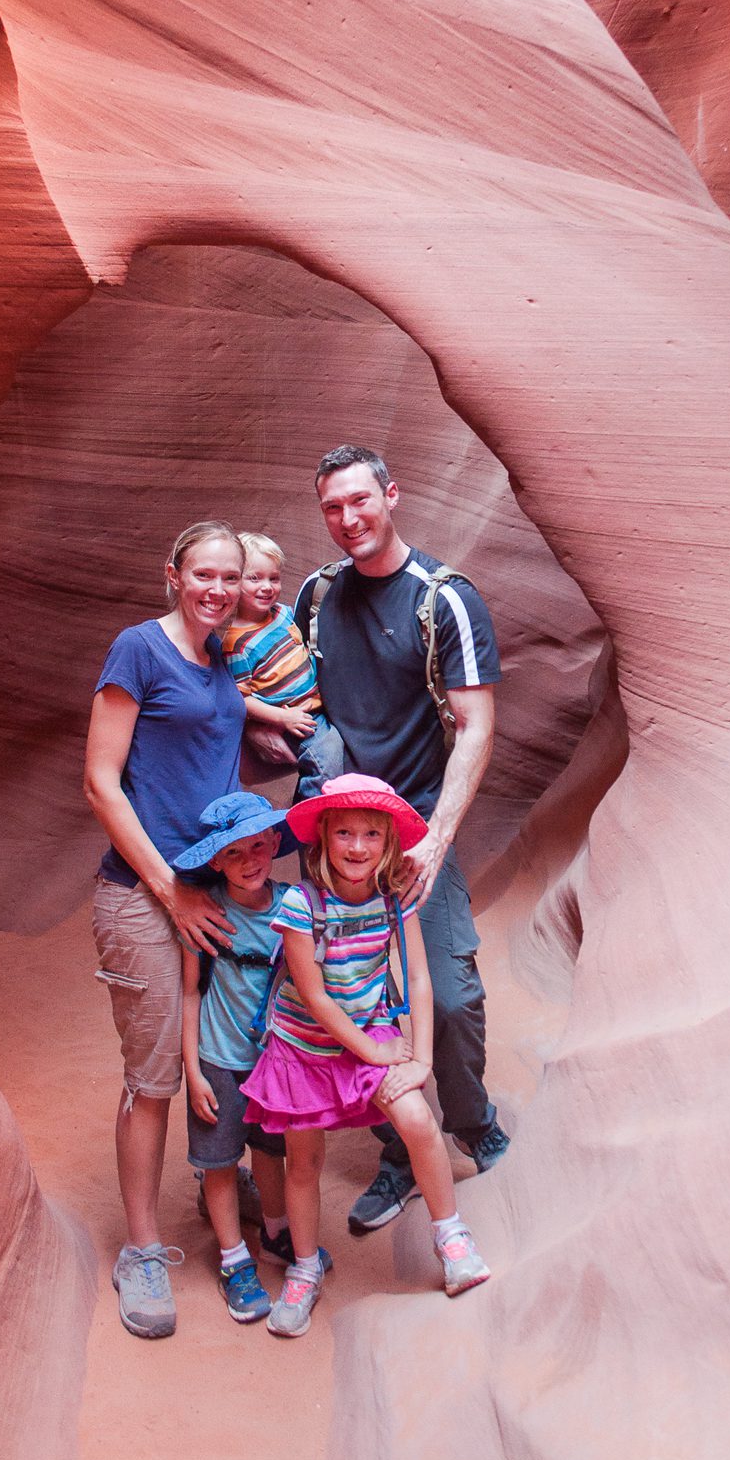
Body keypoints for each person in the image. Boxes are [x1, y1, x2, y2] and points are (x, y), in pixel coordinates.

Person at [291, 445, 509, 1235]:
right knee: (356, 997)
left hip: (415, 825)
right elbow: (285, 692)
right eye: (332, 507)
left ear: (392, 494)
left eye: (360, 500)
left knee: (447, 995)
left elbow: (477, 723)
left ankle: (472, 1118)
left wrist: (436, 839)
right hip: (336, 831)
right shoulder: (316, 596)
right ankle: (399, 1151)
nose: (348, 520)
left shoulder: (443, 599)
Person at [241, 775, 491, 1337]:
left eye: (372, 835)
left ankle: (450, 1236)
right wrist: (376, 1051)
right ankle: (304, 1269)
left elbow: (420, 979)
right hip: (305, 1048)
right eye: (345, 833)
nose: (358, 847)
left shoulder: (391, 900)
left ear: (389, 843)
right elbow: (316, 997)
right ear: (324, 838)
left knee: (418, 1120)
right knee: (303, 1162)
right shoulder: (301, 906)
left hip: (367, 1034)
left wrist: (419, 1060)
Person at [84, 520, 247, 1339]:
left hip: (215, 892)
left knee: (220, 1052)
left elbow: (215, 729)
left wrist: (278, 720)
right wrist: (171, 889)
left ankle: (221, 1187)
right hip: (146, 896)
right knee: (154, 1076)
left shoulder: (221, 658)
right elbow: (101, 782)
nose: (215, 588)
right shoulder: (138, 649)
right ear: (173, 574)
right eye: (202, 574)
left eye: (229, 576)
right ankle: (143, 1249)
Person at [175, 789, 331, 1323]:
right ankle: (233, 1259)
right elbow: (191, 991)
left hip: (276, 1063)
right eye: (235, 853)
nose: (250, 862)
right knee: (219, 1163)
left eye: (259, 846)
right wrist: (193, 1070)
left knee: (270, 1152)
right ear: (216, 860)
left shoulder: (293, 905)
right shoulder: (207, 913)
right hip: (220, 1059)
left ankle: (275, 1230)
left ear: (274, 845)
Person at [224, 531, 344, 801]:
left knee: (337, 757)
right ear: (234, 582)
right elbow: (240, 699)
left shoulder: (283, 614)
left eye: (273, 578)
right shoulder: (237, 643)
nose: (266, 586)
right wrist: (281, 719)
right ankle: (312, 817)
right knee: (327, 759)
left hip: (317, 707)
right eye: (254, 578)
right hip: (293, 720)